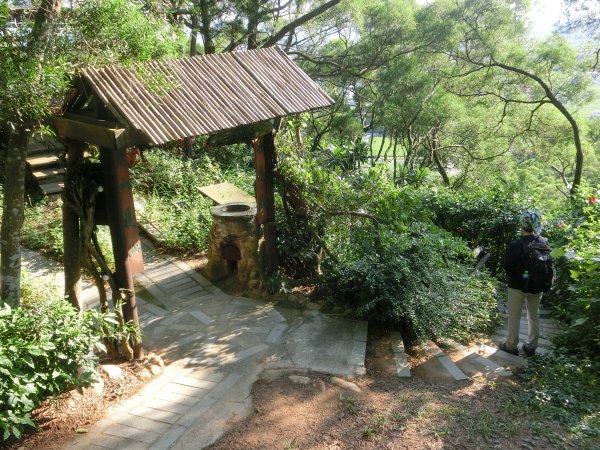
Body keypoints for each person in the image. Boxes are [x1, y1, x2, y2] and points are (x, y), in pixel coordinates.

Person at [500, 210, 544, 357]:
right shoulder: (543, 243)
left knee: (514, 316)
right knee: (534, 315)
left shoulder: (516, 244)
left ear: (522, 225)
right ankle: (531, 346)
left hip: (517, 287)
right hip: (537, 286)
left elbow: (508, 267)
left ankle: (511, 346)